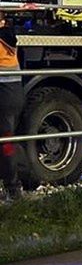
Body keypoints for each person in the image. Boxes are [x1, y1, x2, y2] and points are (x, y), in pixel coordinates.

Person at [0, 11, 25, 201]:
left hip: (5, 96)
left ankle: (13, 188)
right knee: (7, 141)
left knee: (7, 143)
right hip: (13, 95)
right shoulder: (8, 39)